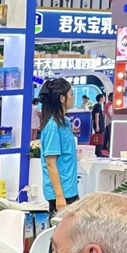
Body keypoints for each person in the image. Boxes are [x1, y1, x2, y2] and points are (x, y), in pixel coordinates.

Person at [39, 78, 79, 214]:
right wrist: (59, 196)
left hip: (69, 189)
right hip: (62, 193)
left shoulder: (63, 124)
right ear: (62, 98)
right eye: (71, 94)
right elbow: (51, 164)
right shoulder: (52, 127)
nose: (73, 98)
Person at [91, 93, 105, 157]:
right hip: (99, 124)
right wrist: (97, 125)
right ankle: (98, 152)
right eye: (103, 97)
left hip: (99, 124)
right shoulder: (98, 106)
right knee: (99, 137)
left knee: (99, 137)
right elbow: (97, 115)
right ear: (101, 98)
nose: (104, 98)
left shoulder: (98, 106)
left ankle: (98, 151)